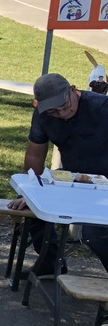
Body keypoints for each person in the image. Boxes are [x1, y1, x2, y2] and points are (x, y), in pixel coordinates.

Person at [10, 73, 108, 276]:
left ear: (73, 90)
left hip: (104, 184)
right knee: (34, 205)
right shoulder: (42, 116)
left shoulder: (102, 108)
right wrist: (30, 192)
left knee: (95, 233)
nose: (62, 114)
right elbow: (34, 155)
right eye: (53, 111)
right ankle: (51, 264)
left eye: (64, 106)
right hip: (73, 179)